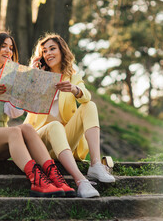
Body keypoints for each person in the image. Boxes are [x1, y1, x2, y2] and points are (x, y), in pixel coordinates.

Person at [0, 31, 76, 197]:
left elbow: (12, 113)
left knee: (27, 128)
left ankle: (55, 179)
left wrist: (26, 87)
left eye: (11, 48)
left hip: (1, 143)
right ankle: (37, 181)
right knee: (14, 131)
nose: (8, 51)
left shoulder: (10, 75)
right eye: (3, 46)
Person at [24, 33, 115, 198]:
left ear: (62, 51)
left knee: (90, 106)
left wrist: (74, 89)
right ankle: (81, 181)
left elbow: (86, 96)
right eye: (44, 51)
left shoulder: (73, 76)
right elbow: (25, 104)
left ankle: (95, 164)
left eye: (52, 48)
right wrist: (34, 76)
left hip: (64, 143)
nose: (48, 53)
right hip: (40, 142)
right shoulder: (36, 77)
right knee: (54, 125)